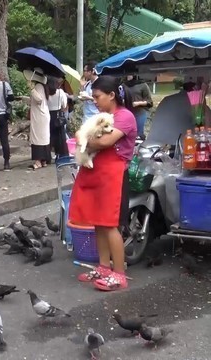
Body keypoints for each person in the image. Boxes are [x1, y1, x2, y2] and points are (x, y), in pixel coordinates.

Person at [69, 75, 137, 291]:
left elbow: (105, 141)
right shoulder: (102, 116)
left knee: (110, 225)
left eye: (97, 97)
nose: (94, 101)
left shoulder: (124, 116)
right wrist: (83, 138)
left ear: (112, 95)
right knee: (98, 223)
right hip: (95, 172)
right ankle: (103, 267)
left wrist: (83, 138)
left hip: (113, 176)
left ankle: (119, 274)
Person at [25, 68, 52, 169]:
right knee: (44, 138)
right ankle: (44, 159)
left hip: (39, 116)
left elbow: (39, 99)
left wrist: (31, 89)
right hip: (43, 114)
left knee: (38, 138)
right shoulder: (43, 86)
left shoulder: (38, 86)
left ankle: (38, 161)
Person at [124, 75, 153, 140]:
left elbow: (150, 102)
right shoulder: (124, 85)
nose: (128, 76)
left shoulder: (142, 85)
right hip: (127, 114)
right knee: (128, 136)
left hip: (140, 113)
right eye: (127, 74)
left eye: (130, 74)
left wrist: (138, 103)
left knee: (139, 135)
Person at [47, 77, 69, 159]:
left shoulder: (46, 93)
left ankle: (47, 155)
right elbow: (64, 104)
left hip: (48, 115)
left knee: (48, 135)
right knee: (60, 136)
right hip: (58, 115)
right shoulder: (60, 92)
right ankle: (61, 154)